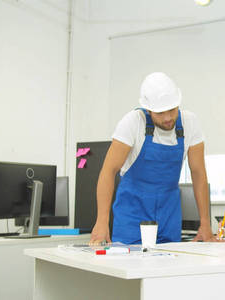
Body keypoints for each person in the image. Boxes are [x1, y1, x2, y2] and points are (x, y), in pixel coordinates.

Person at [90, 72, 215, 244]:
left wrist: (205, 223)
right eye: (160, 112)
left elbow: (198, 173)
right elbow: (108, 171)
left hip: (169, 213)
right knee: (128, 266)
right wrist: (101, 222)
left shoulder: (190, 123)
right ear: (148, 109)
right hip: (132, 213)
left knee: (168, 265)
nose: (168, 118)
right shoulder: (133, 122)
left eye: (172, 110)